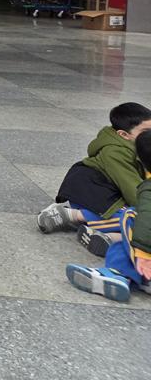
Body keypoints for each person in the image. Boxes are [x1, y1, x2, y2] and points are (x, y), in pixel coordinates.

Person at [38, 102, 151, 255]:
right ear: (124, 135)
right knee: (140, 218)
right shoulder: (115, 153)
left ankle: (105, 237)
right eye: (146, 131)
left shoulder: (138, 145)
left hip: (106, 195)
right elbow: (133, 191)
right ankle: (72, 215)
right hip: (91, 193)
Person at [65, 131, 151, 303]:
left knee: (132, 216)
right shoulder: (114, 153)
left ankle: (119, 273)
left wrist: (144, 254)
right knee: (125, 240)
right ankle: (126, 275)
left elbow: (146, 218)